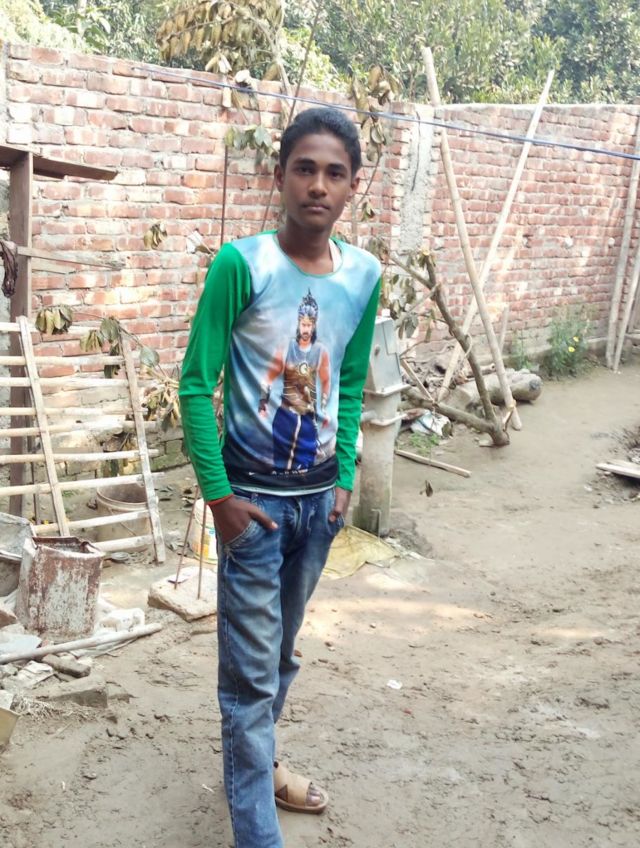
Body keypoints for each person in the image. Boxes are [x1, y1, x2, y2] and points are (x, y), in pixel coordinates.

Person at [179, 106, 381, 848]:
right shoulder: (243, 266)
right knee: (249, 680)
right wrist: (220, 499)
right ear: (280, 176)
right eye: (305, 169)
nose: (318, 186)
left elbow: (349, 383)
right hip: (254, 508)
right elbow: (195, 384)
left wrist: (344, 477)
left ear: (354, 185)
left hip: (317, 508)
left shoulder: (364, 276)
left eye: (334, 173)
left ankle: (259, 766)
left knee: (281, 654)